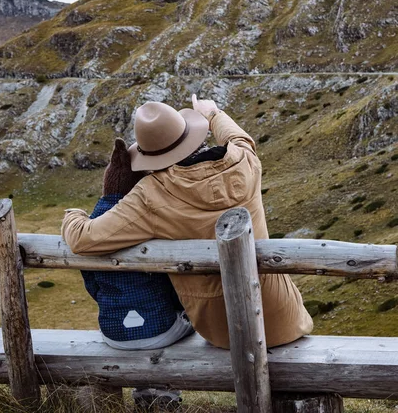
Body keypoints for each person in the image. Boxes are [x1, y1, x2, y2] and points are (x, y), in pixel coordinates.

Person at [62, 95, 313, 350]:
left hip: (225, 332)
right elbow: (240, 139)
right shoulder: (245, 161)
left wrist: (75, 213)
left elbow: (83, 239)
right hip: (284, 318)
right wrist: (213, 114)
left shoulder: (152, 193)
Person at [75, 137, 192, 409]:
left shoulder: (92, 225)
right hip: (161, 330)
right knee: (184, 322)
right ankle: (161, 396)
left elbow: (91, 283)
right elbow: (173, 286)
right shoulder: (148, 219)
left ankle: (146, 392)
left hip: (112, 333)